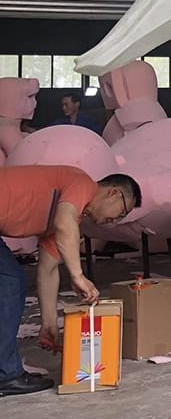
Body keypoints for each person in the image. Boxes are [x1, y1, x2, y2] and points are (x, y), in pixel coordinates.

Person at [0, 165, 141, 397]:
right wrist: (77, 275)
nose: (114, 221)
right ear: (114, 193)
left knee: (9, 281)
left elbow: (48, 269)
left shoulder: (65, 217)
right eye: (122, 213)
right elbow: (65, 222)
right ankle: (6, 375)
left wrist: (49, 323)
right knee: (8, 281)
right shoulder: (81, 183)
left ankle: (6, 371)